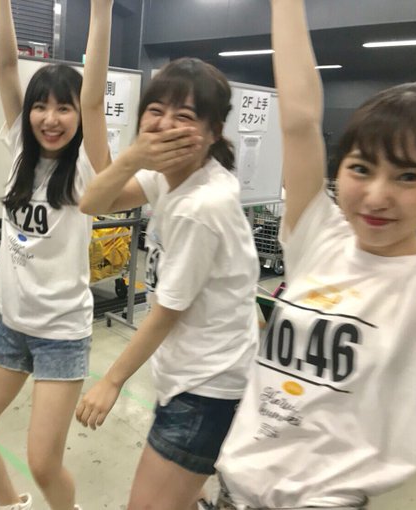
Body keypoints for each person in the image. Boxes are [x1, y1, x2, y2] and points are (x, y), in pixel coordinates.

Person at [216, 1, 416, 508]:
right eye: (361, 168)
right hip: (236, 488)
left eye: (408, 176)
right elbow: (299, 121)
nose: (377, 196)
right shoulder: (318, 236)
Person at [75, 57, 260, 510]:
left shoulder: (204, 205)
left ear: (213, 131)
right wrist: (133, 156)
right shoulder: (168, 176)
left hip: (207, 384)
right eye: (156, 111)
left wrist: (112, 380)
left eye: (185, 116)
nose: (166, 125)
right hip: (191, 373)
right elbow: (93, 202)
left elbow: (166, 313)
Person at [0, 1, 112, 509]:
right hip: (12, 326)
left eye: (64, 108)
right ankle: (13, 505)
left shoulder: (87, 168)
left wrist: (101, 13)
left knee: (43, 463)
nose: (50, 118)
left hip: (61, 333)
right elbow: (4, 65)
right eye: (41, 106)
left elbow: (95, 102)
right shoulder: (22, 150)